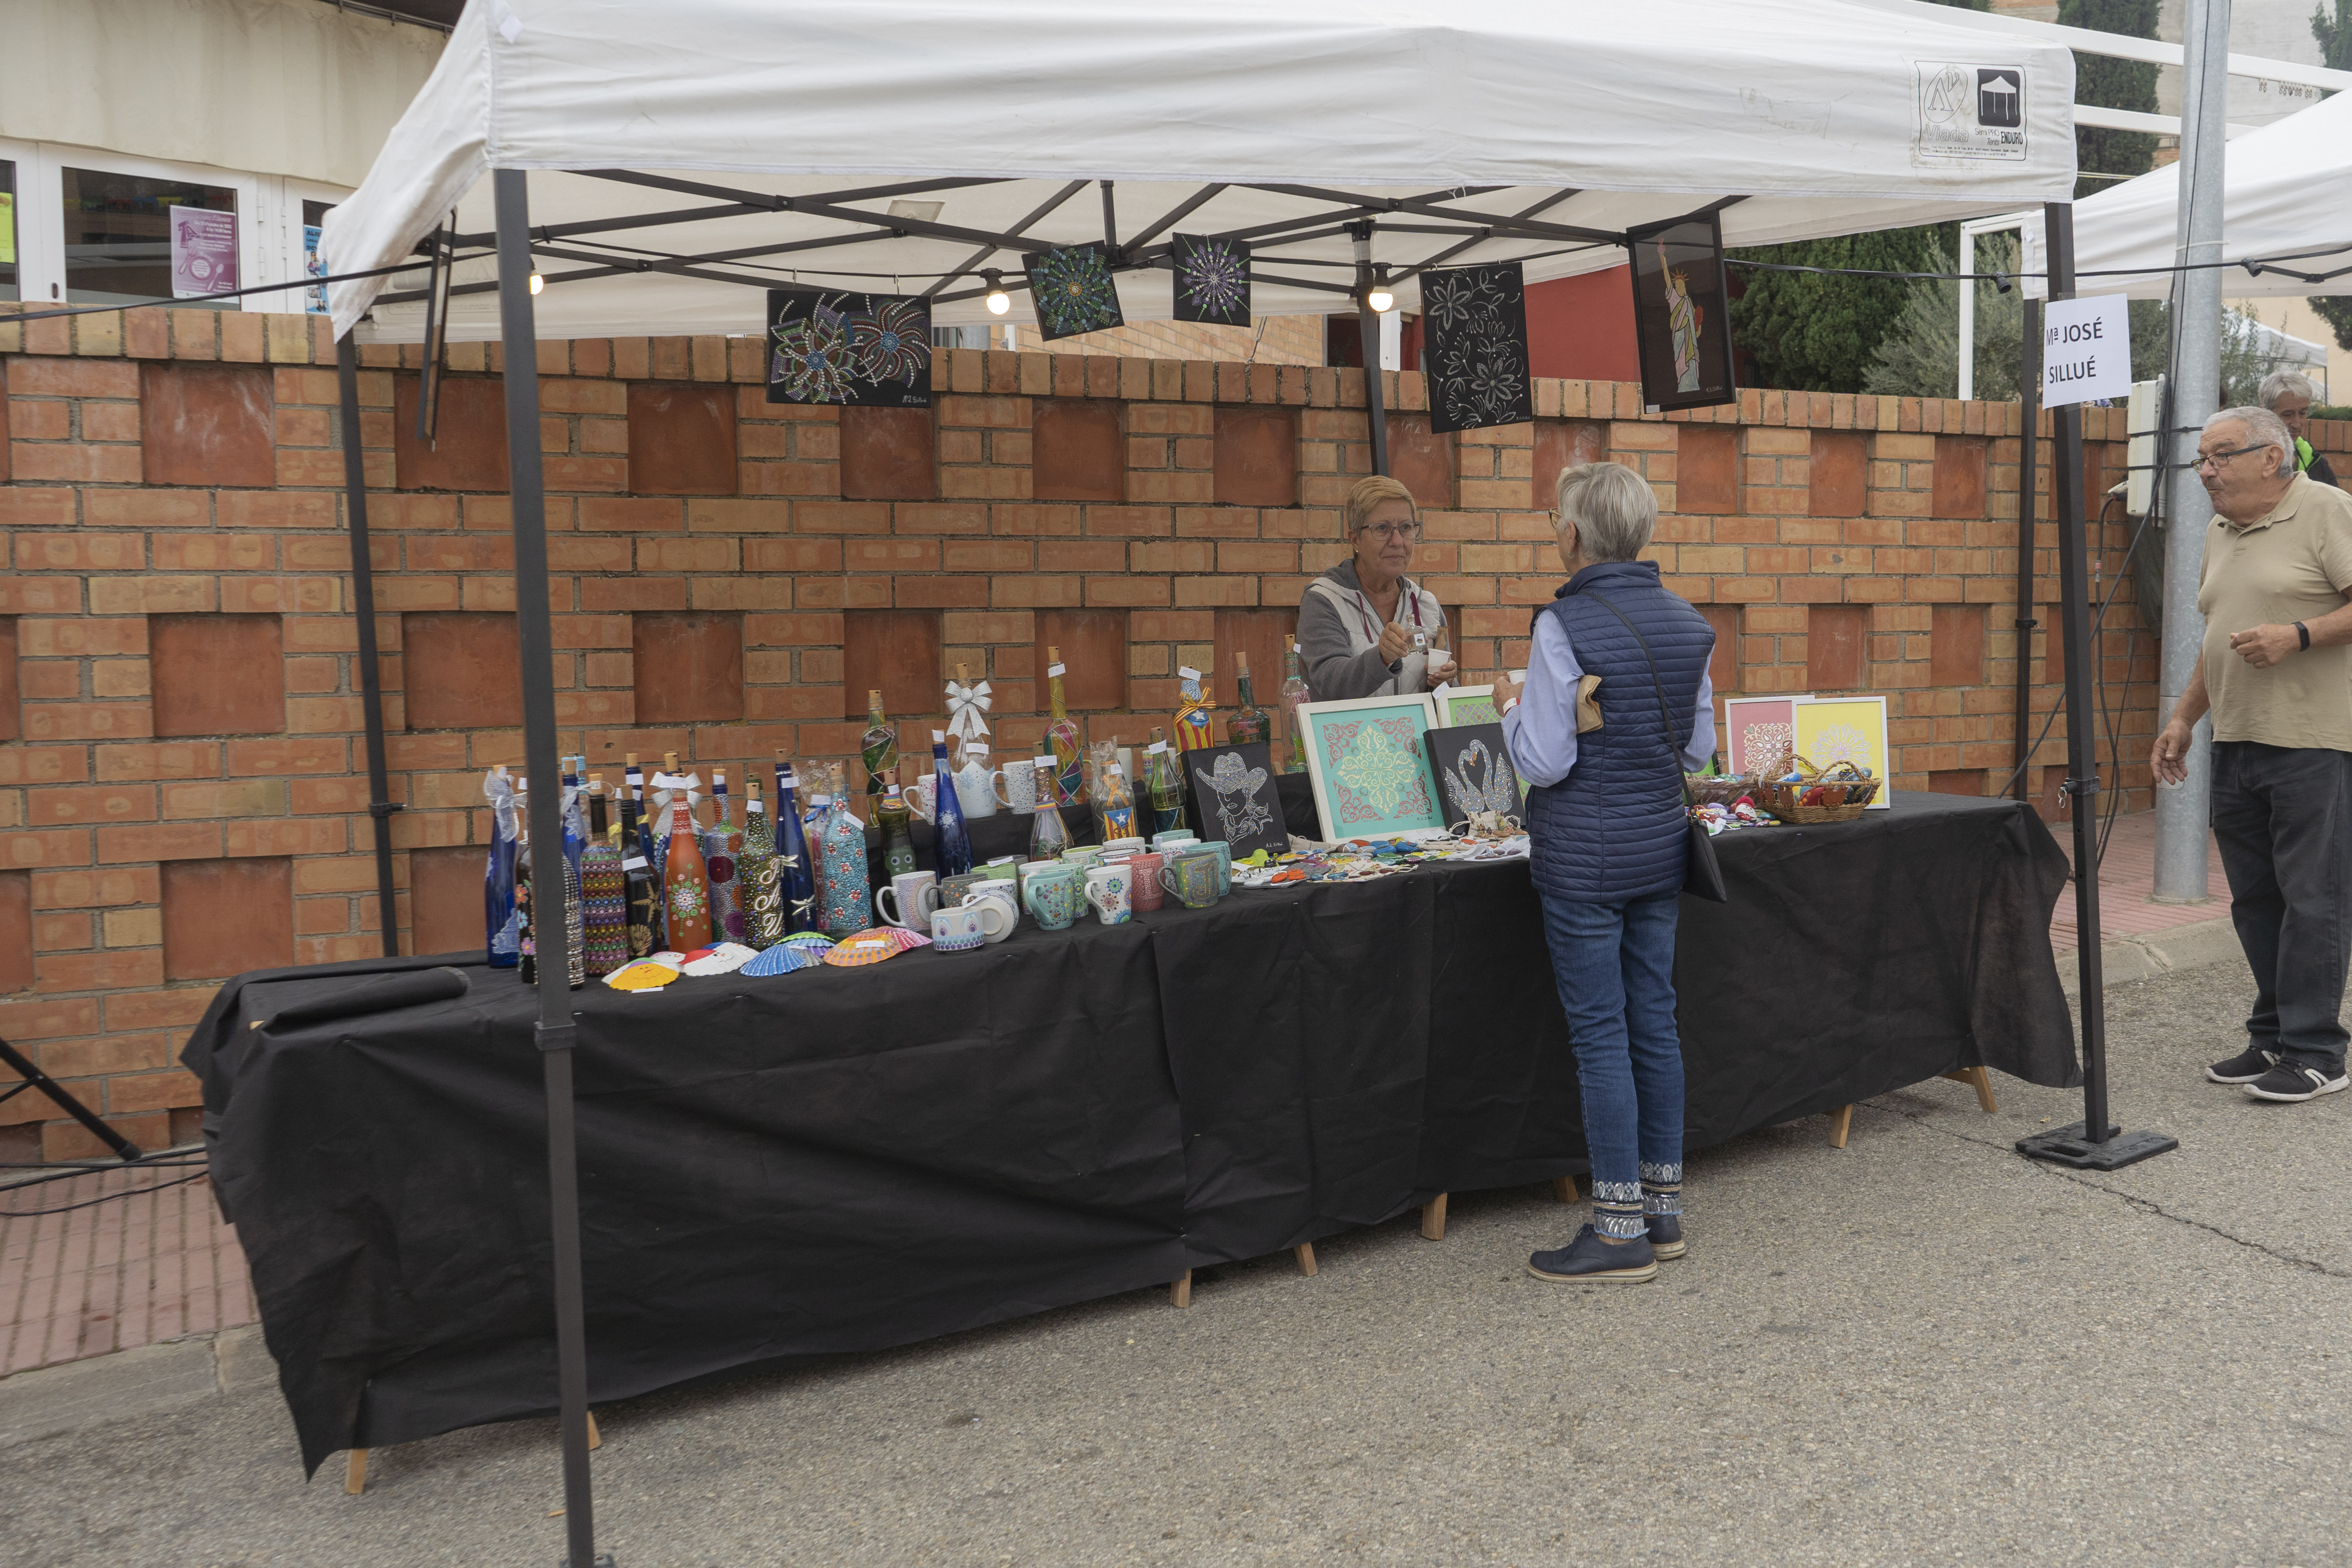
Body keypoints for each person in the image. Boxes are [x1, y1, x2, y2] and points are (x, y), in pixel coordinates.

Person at [1493, 463, 1714, 1282]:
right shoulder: (1690, 622)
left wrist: (1509, 709)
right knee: (1654, 1022)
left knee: (1600, 1036)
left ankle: (1618, 1233)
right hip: (1658, 848)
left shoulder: (1562, 622)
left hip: (1583, 860)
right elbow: (1697, 750)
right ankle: (1662, 1213)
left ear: (1573, 534)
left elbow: (1547, 762)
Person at [2151, 405, 2352, 1103]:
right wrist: (2184, 718)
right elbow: (2220, 637)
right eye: (2201, 459)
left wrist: (2299, 634)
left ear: (2271, 456)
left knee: (2313, 900)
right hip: (2235, 741)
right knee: (2257, 901)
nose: (2206, 471)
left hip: (2313, 741)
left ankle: (2318, 1052)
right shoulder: (2219, 530)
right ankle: (2273, 1035)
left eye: (2221, 455)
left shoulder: (2325, 509)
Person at [1297, 476, 1458, 700]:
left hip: (1414, 726)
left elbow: (1444, 702)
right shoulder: (1324, 600)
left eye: (1406, 528)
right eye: (1383, 529)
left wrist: (1446, 683)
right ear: (1355, 539)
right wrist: (1381, 658)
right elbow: (1329, 682)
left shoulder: (1426, 605)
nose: (1398, 541)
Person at [2259, 369, 2339, 491]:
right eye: (2287, 415)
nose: (2297, 424)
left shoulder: (2316, 461)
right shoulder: (2245, 460)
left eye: (2303, 413)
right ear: (2265, 413)